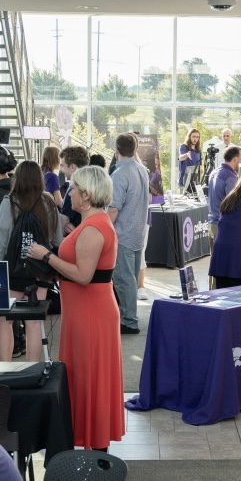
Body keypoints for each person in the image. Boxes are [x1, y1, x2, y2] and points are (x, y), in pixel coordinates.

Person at [26, 165, 126, 451]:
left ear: (87, 194)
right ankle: (88, 443)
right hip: (85, 311)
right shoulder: (92, 223)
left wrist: (46, 255)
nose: (68, 193)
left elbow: (83, 275)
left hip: (91, 314)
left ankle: (94, 448)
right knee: (84, 378)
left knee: (89, 378)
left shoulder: (95, 226)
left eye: (73, 188)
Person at [0, 161, 55, 362]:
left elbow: (0, 240)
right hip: (40, 270)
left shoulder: (9, 202)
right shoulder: (48, 202)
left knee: (5, 320)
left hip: (13, 271)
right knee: (34, 321)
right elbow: (56, 239)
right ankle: (33, 369)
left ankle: (5, 368)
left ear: (16, 179)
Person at [108, 133, 149, 335]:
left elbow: (114, 208)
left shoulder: (119, 174)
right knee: (131, 277)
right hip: (137, 232)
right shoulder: (142, 169)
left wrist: (103, 228)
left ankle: (129, 320)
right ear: (135, 149)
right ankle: (129, 316)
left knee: (124, 280)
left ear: (116, 150)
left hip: (122, 233)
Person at [207, 146, 241, 240]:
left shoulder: (214, 172)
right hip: (223, 225)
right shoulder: (230, 177)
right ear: (235, 159)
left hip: (212, 222)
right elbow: (233, 204)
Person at [58, 146, 91, 234]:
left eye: (63, 166)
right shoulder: (90, 185)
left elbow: (62, 222)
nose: (61, 170)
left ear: (72, 166)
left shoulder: (74, 189)